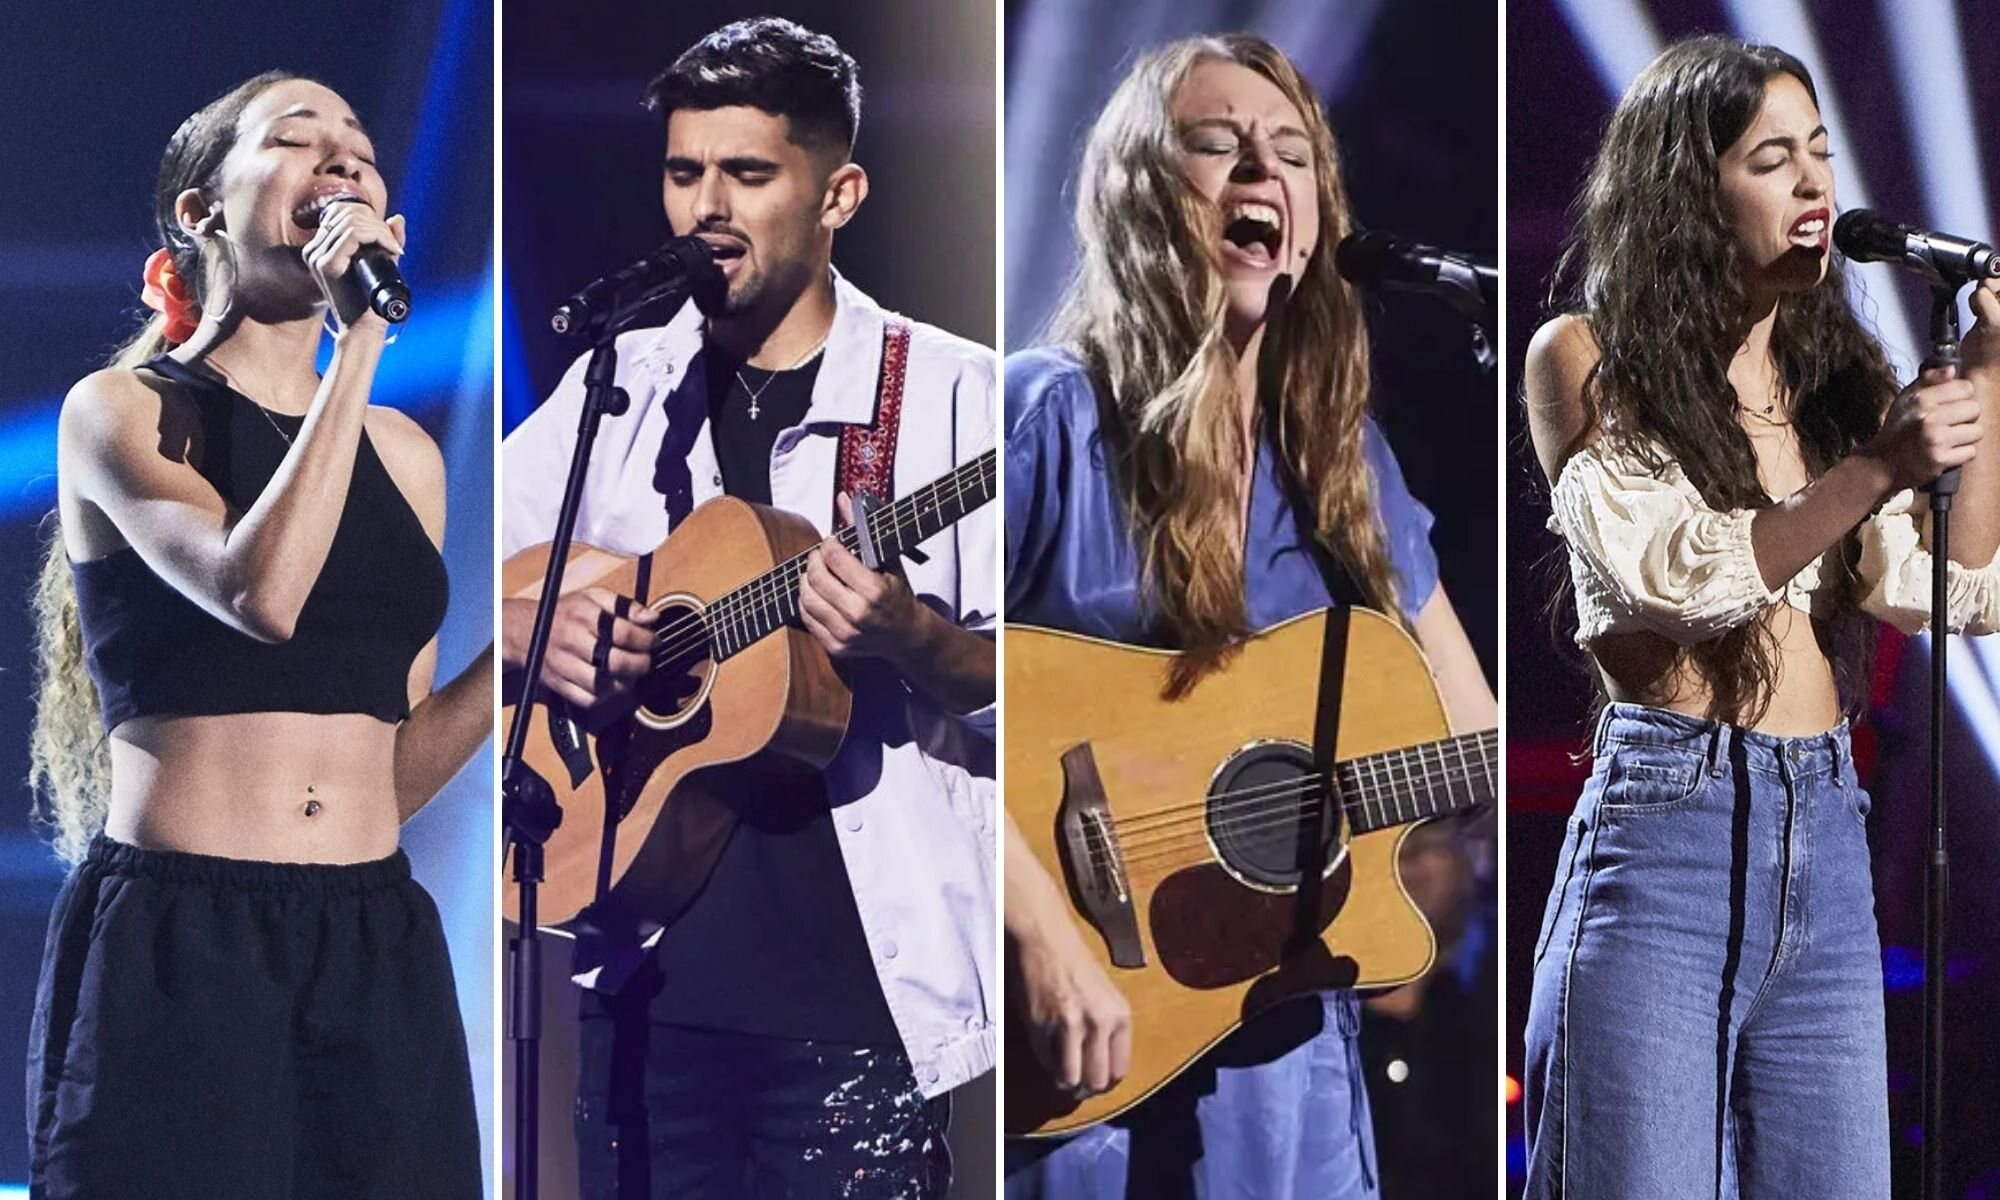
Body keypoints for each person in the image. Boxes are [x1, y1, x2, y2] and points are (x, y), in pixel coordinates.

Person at [500, 18, 996, 1197]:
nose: (705, 207)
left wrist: (913, 637)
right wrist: (536, 631)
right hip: (643, 977)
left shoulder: (955, 398)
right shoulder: (621, 384)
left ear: (840, 193)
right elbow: (463, 561)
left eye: (747, 174)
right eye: (684, 173)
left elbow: (1046, 679)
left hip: (853, 997)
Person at [1002, 33, 1495, 1198]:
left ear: (1317, 218)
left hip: (1279, 1055)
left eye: (1288, 156)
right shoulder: (1044, 420)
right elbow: (910, 708)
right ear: (1137, 194)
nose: (1257, 175)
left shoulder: (1345, 468)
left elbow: (1464, 739)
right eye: (1214, 148)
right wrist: (1038, 934)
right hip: (1076, 1039)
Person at [1520, 36, 2000, 1198]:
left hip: (1824, 837)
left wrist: (1985, 374)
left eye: (1820, 156)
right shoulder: (1586, 361)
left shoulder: (1837, 379)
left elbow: (1949, 584)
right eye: (1771, 158)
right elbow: (1684, 582)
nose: (1814, 186)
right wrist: (1875, 466)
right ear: (1690, 190)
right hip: (1662, 842)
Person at [25, 72, 494, 1198]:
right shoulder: (125, 410)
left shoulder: (406, 459)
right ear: (201, 213)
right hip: (187, 940)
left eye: (360, 151)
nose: (340, 159)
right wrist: (360, 347)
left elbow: (391, 764)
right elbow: (261, 596)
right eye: (296, 138)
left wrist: (509, 665)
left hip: (373, 938)